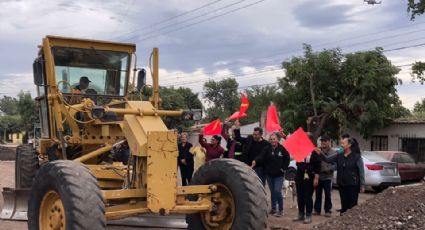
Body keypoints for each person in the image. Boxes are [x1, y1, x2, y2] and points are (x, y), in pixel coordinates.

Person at [319, 137, 365, 215]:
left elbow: (361, 171)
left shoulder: (356, 157)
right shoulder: (339, 155)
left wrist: (362, 184)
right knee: (344, 205)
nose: (341, 145)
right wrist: (320, 153)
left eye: (343, 143)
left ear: (349, 145)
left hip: (353, 185)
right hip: (342, 184)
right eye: (341, 143)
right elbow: (327, 159)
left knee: (352, 206)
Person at [253, 133, 290, 217]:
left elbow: (287, 158)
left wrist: (283, 168)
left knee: (277, 191)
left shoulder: (282, 149)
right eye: (271, 139)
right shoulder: (267, 149)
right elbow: (261, 156)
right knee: (273, 192)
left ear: (277, 140)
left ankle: (280, 210)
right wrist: (255, 160)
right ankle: (273, 209)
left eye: (274, 139)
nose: (272, 141)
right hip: (269, 175)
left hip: (279, 175)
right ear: (269, 140)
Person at [293, 133, 321, 224]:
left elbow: (317, 166)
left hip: (310, 176)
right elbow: (298, 163)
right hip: (300, 175)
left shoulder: (314, 151)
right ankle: (301, 213)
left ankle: (308, 215)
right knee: (300, 196)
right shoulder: (299, 149)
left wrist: (316, 178)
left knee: (307, 196)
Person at [313, 135, 336, 217]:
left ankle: (328, 210)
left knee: (327, 194)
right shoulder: (317, 150)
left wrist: (330, 168)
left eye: (325, 141)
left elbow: (335, 164)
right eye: (322, 141)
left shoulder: (333, 152)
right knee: (318, 194)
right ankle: (317, 210)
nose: (323, 142)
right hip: (319, 176)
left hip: (328, 177)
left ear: (329, 142)